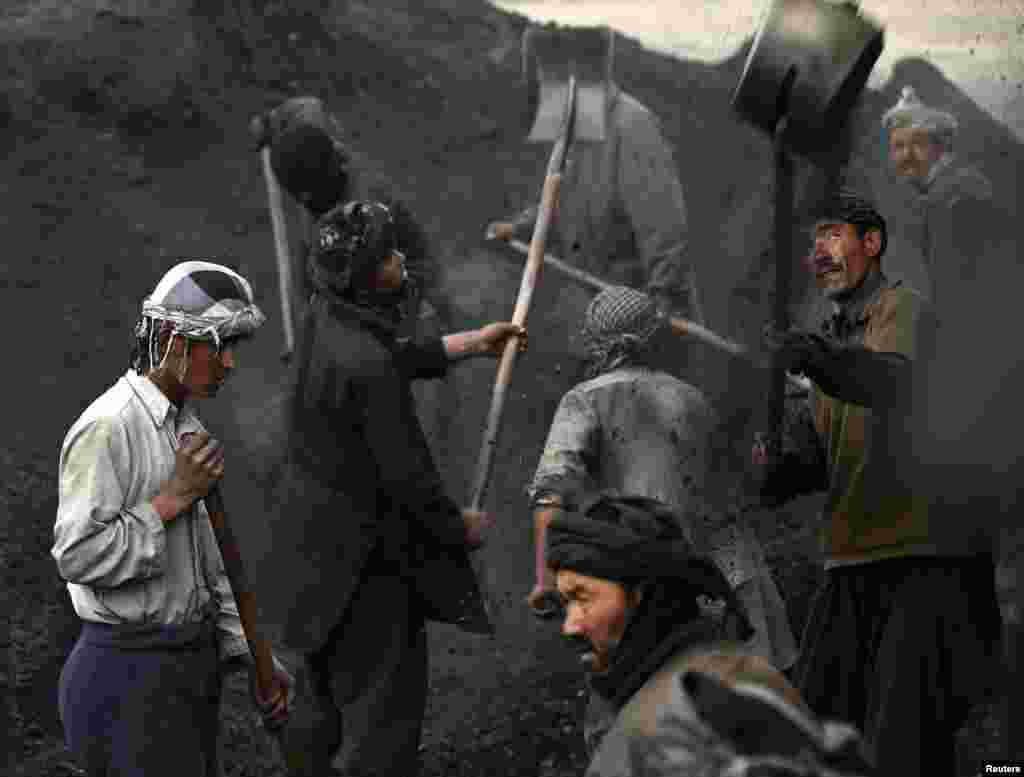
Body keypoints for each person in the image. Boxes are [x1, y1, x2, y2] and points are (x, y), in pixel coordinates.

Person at [271, 200, 525, 777]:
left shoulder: (323, 316)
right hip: (367, 565)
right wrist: (455, 527)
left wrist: (472, 343)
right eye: (387, 256)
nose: (400, 262)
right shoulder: (367, 368)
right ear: (362, 276)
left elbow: (390, 353)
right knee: (385, 716)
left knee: (321, 696)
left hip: (312, 553)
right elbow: (408, 478)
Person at [755, 190, 1003, 775]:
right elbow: (821, 457)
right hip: (851, 559)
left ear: (873, 244)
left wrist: (814, 358)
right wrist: (776, 472)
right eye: (814, 240)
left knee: (904, 742)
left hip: (923, 557)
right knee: (813, 731)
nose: (820, 250)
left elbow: (892, 383)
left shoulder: (903, 309)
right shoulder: (829, 337)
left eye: (834, 234)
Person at [52, 260, 293, 776]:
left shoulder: (185, 426)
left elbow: (207, 564)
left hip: (183, 676)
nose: (230, 363)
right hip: (124, 679)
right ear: (172, 339)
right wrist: (169, 500)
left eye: (235, 347)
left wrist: (252, 653)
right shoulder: (108, 427)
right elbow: (75, 554)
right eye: (219, 345)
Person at [528, 286, 798, 743]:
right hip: (728, 579)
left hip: (647, 588)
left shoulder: (584, 400)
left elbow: (550, 493)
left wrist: (545, 578)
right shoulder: (692, 398)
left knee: (640, 725)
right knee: (743, 721)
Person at [546, 492, 874, 777]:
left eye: (582, 599)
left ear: (641, 594)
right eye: (565, 604)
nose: (571, 626)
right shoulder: (645, 700)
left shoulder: (712, 701)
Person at [487, 26, 703, 328]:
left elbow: (666, 238)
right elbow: (560, 203)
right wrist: (521, 230)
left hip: (649, 330)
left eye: (546, 78)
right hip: (605, 323)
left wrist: (661, 311)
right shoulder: (576, 129)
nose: (540, 91)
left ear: (576, 74)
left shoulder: (632, 128)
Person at [251, 96, 453, 335]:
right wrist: (271, 122)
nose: (339, 148)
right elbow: (307, 107)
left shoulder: (362, 226)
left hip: (408, 298)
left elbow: (366, 301)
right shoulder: (317, 151)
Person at [882, 85, 999, 310]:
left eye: (917, 144)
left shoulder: (963, 196)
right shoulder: (935, 197)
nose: (906, 155)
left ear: (940, 148)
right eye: (898, 146)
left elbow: (966, 294)